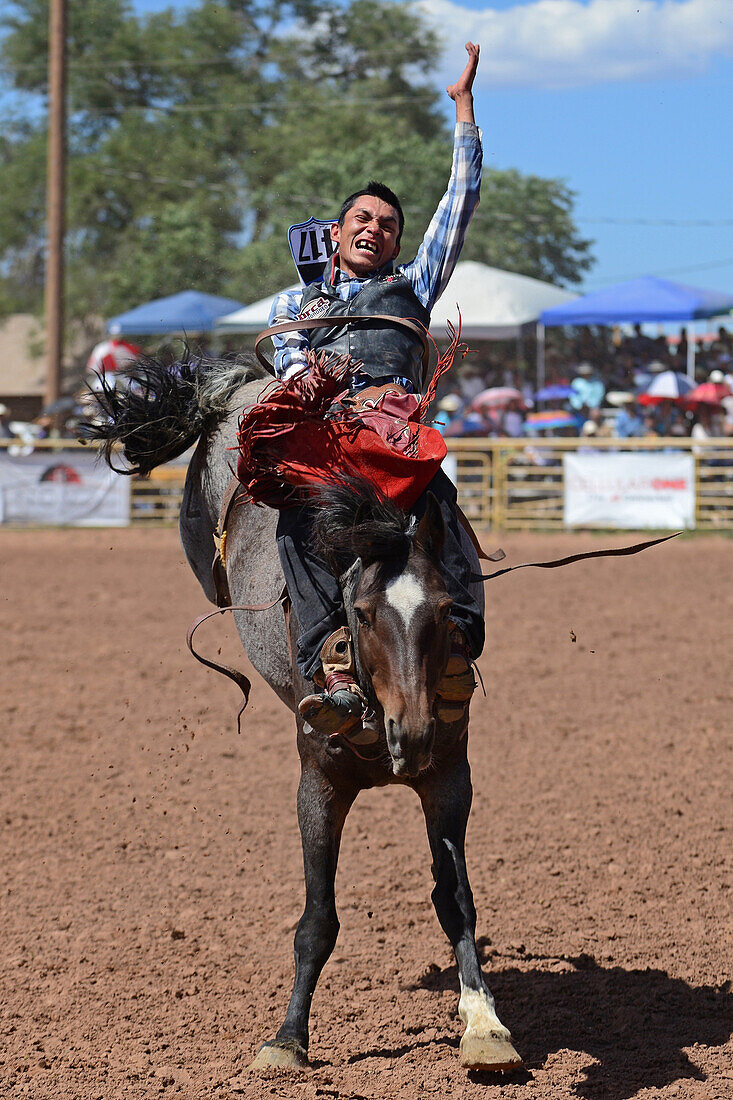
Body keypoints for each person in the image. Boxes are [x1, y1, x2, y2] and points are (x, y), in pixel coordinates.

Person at [267, 42, 484, 738]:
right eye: (363, 220)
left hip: (399, 445)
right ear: (336, 235)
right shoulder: (293, 302)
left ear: (395, 245)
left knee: (444, 513)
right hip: (331, 446)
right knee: (294, 527)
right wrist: (320, 388)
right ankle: (326, 660)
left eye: (387, 225)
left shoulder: (412, 287)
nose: (375, 228)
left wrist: (464, 113)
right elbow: (288, 361)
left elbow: (458, 205)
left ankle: (457, 646)